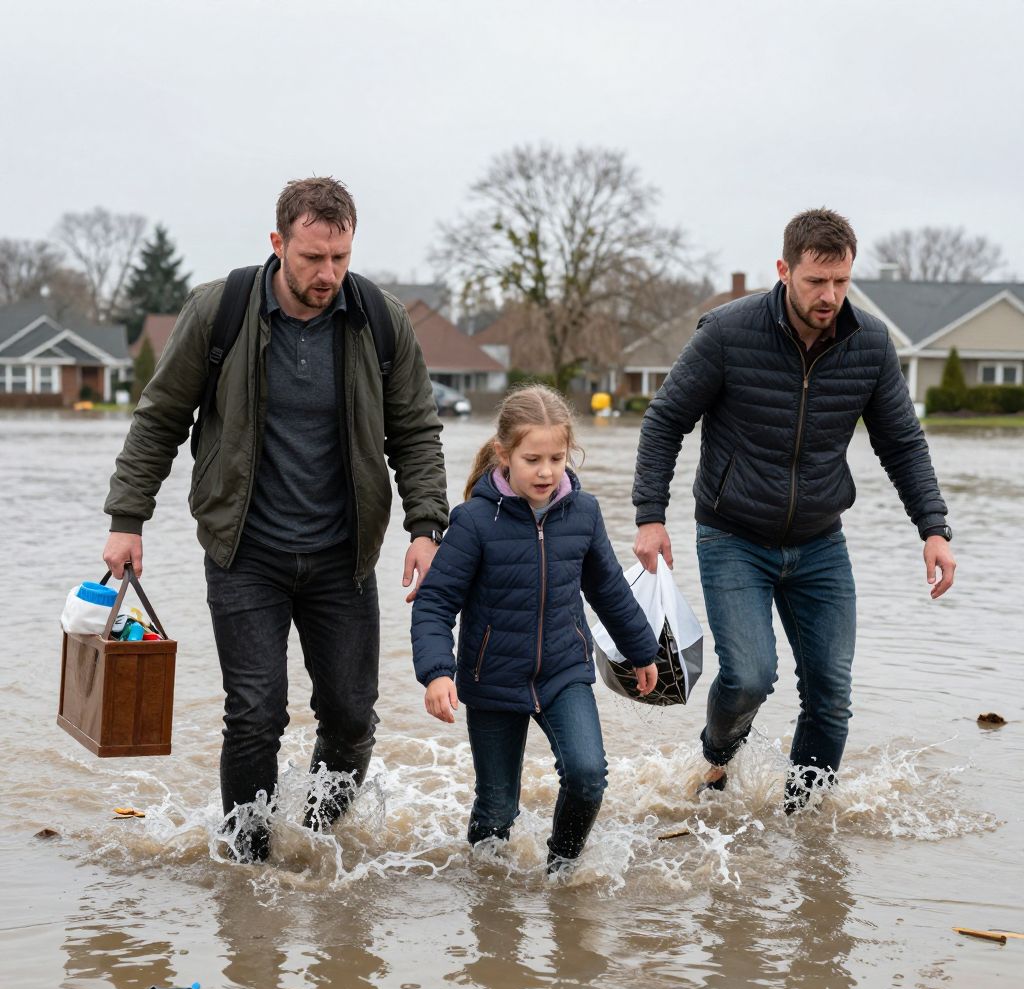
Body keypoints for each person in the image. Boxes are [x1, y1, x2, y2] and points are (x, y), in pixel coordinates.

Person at [102, 177, 448, 861]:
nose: (327, 274)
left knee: (351, 718)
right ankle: (249, 865)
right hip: (245, 551)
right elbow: (160, 418)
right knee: (255, 715)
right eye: (312, 257)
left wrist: (426, 525)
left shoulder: (379, 320)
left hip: (343, 555)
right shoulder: (220, 310)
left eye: (340, 258)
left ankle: (313, 843)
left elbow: (415, 431)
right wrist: (127, 517)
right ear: (278, 244)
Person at [631, 208, 956, 812]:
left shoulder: (870, 343)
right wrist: (651, 516)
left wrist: (933, 528)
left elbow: (902, 443)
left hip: (819, 540)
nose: (829, 296)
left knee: (831, 693)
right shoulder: (728, 332)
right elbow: (665, 420)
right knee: (750, 677)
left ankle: (802, 823)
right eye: (816, 281)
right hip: (732, 535)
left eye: (841, 281)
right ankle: (717, 757)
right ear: (784, 270)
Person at [411, 385, 660, 872]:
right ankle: (488, 895)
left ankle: (561, 872)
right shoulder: (474, 522)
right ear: (503, 455)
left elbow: (608, 588)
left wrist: (641, 650)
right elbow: (435, 603)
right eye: (532, 459)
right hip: (492, 680)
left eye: (556, 458)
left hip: (564, 671)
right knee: (496, 809)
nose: (546, 471)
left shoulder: (583, 513)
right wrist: (437, 672)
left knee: (588, 777)